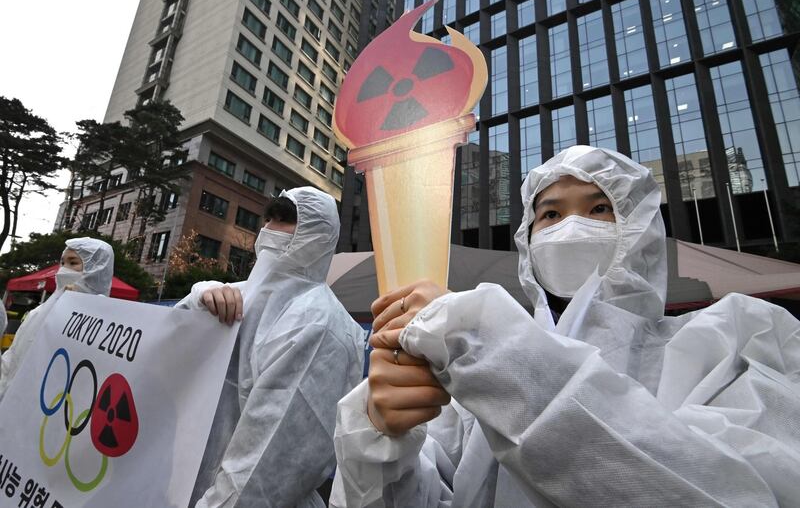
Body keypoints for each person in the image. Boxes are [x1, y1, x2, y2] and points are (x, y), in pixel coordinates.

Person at [331, 145, 800, 507]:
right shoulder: (471, 373)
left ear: (641, 230)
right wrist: (380, 442)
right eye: (550, 214)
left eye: (599, 209)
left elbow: (733, 490)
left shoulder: (732, 341)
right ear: (528, 240)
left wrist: (480, 340)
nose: (571, 228)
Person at [177, 187, 365, 508]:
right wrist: (196, 302)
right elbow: (157, 358)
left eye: (286, 220)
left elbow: (266, 468)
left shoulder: (321, 324)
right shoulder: (232, 295)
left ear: (319, 234)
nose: (269, 230)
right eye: (269, 219)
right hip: (182, 485)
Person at [0, 237, 114, 401]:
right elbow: (14, 356)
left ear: (96, 269)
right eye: (62, 263)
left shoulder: (106, 320)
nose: (63, 270)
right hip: (15, 402)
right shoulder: (38, 312)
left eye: (73, 263)